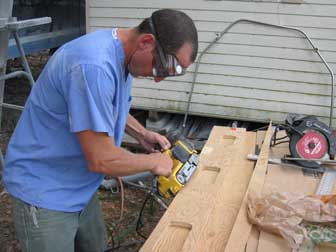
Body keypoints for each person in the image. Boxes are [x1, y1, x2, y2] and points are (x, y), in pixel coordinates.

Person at [3, 8, 198, 252]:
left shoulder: (121, 55)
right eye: (161, 68)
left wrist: (141, 133)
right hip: (45, 189)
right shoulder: (94, 66)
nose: (158, 79)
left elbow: (105, 105)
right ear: (147, 42)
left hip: (79, 185)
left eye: (169, 74)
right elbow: (102, 160)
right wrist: (153, 163)